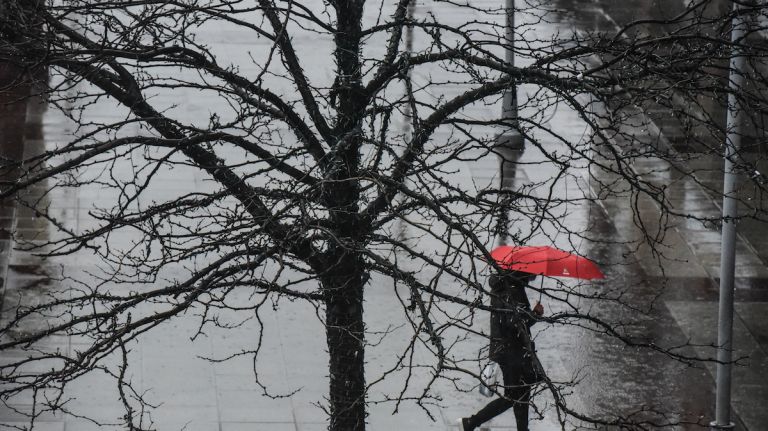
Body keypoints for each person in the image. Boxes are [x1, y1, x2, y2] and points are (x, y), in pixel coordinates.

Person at [460, 269, 544, 431]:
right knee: (513, 395)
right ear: (523, 273)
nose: (535, 276)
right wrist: (535, 314)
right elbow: (516, 324)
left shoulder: (503, 286)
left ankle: (522, 429)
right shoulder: (514, 291)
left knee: (523, 394)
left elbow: (511, 320)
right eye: (532, 273)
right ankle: (471, 422)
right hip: (513, 353)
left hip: (507, 350)